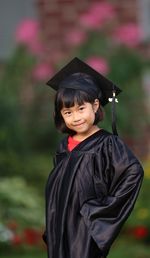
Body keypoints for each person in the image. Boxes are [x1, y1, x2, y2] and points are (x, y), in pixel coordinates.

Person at [43, 57, 144, 258]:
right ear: (61, 115)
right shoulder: (64, 146)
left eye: (81, 108)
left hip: (86, 226)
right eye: (68, 112)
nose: (76, 117)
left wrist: (100, 210)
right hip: (60, 223)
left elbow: (133, 172)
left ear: (95, 106)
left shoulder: (107, 144)